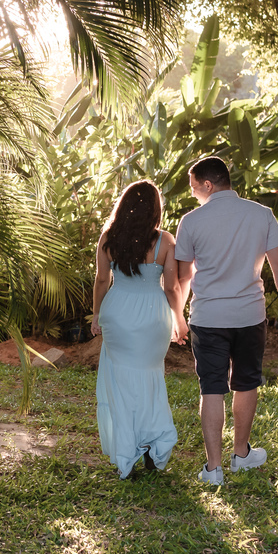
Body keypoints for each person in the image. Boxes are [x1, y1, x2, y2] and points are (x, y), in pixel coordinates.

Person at [174, 156, 278, 486]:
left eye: (194, 188)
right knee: (245, 382)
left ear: (208, 185)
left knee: (211, 387)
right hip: (249, 316)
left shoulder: (191, 221)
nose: (193, 195)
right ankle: (241, 454)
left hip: (208, 316)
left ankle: (213, 469)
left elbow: (183, 276)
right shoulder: (261, 215)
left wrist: (178, 314)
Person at [91, 179, 188, 480]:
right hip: (152, 316)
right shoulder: (165, 242)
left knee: (121, 384)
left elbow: (101, 281)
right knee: (150, 379)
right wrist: (180, 321)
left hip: (118, 313)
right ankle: (150, 447)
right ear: (156, 210)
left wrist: (96, 315)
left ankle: (127, 454)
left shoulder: (108, 238)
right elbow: (172, 288)